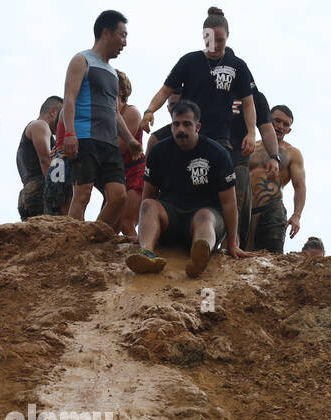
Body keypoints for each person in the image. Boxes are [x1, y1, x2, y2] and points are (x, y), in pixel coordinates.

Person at [124, 99, 257, 278]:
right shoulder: (158, 152)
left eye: (187, 124)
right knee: (148, 204)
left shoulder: (217, 153)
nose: (181, 129)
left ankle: (199, 256)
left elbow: (229, 203)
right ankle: (146, 253)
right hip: (170, 217)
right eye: (176, 124)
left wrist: (232, 242)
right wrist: (143, 233)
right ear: (171, 126)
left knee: (204, 216)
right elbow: (149, 194)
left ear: (197, 127)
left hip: (204, 217)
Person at [139, 9, 257, 163]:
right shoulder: (189, 61)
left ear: (228, 36)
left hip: (219, 135)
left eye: (220, 40)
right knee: (157, 143)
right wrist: (150, 110)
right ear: (203, 36)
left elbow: (248, 103)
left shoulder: (237, 65)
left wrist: (252, 133)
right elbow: (164, 91)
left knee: (217, 177)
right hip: (188, 131)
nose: (214, 45)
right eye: (209, 40)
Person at [60, 10, 144, 224]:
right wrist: (69, 133)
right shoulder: (81, 60)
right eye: (122, 35)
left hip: (109, 144)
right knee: (83, 194)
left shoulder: (113, 73)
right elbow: (68, 100)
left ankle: (92, 237)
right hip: (85, 137)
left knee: (118, 196)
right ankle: (73, 243)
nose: (125, 42)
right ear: (106, 33)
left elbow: (115, 113)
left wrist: (130, 139)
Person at [227, 82, 280, 249]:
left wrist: (274, 157)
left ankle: (231, 248)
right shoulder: (209, 89)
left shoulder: (256, 97)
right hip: (210, 153)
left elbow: (266, 128)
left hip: (238, 157)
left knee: (235, 207)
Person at [249, 104, 306, 253]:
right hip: (244, 209)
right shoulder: (251, 146)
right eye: (277, 121)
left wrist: (296, 215)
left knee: (270, 260)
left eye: (285, 124)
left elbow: (300, 186)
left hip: (271, 210)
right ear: (268, 119)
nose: (280, 126)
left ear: (289, 130)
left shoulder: (292, 153)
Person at [18, 96, 63, 220]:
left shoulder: (36, 129)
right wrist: (59, 193)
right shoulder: (40, 125)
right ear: (53, 112)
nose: (63, 122)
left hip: (29, 194)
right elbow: (45, 160)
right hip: (41, 193)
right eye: (62, 116)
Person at [115, 70, 145, 239]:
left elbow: (119, 148)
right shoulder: (105, 115)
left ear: (120, 90)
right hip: (117, 175)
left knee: (127, 223)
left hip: (135, 172)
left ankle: (144, 257)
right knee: (108, 229)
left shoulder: (131, 112)